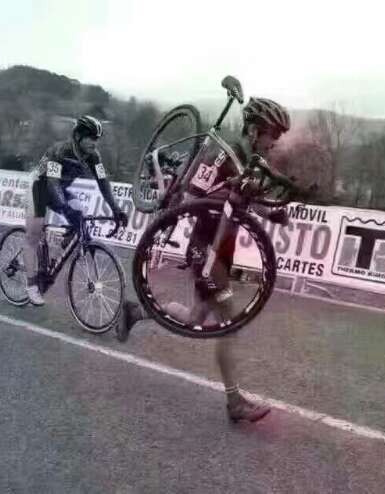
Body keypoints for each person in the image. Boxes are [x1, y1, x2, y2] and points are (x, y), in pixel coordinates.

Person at [118, 97, 292, 423]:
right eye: (273, 135)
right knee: (229, 320)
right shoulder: (222, 155)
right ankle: (234, 401)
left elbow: (245, 202)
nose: (275, 142)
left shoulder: (252, 162)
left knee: (196, 316)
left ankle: (135, 312)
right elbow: (190, 198)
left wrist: (272, 214)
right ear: (255, 131)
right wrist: (228, 194)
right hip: (204, 248)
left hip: (224, 248)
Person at [23, 115, 128, 306]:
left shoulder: (94, 156)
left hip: (60, 189)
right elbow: (52, 181)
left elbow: (103, 183)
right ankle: (31, 286)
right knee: (34, 235)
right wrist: (64, 205)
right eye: (90, 137)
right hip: (39, 187)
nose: (94, 142)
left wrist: (116, 209)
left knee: (80, 218)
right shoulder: (60, 151)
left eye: (97, 138)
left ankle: (54, 259)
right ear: (78, 136)